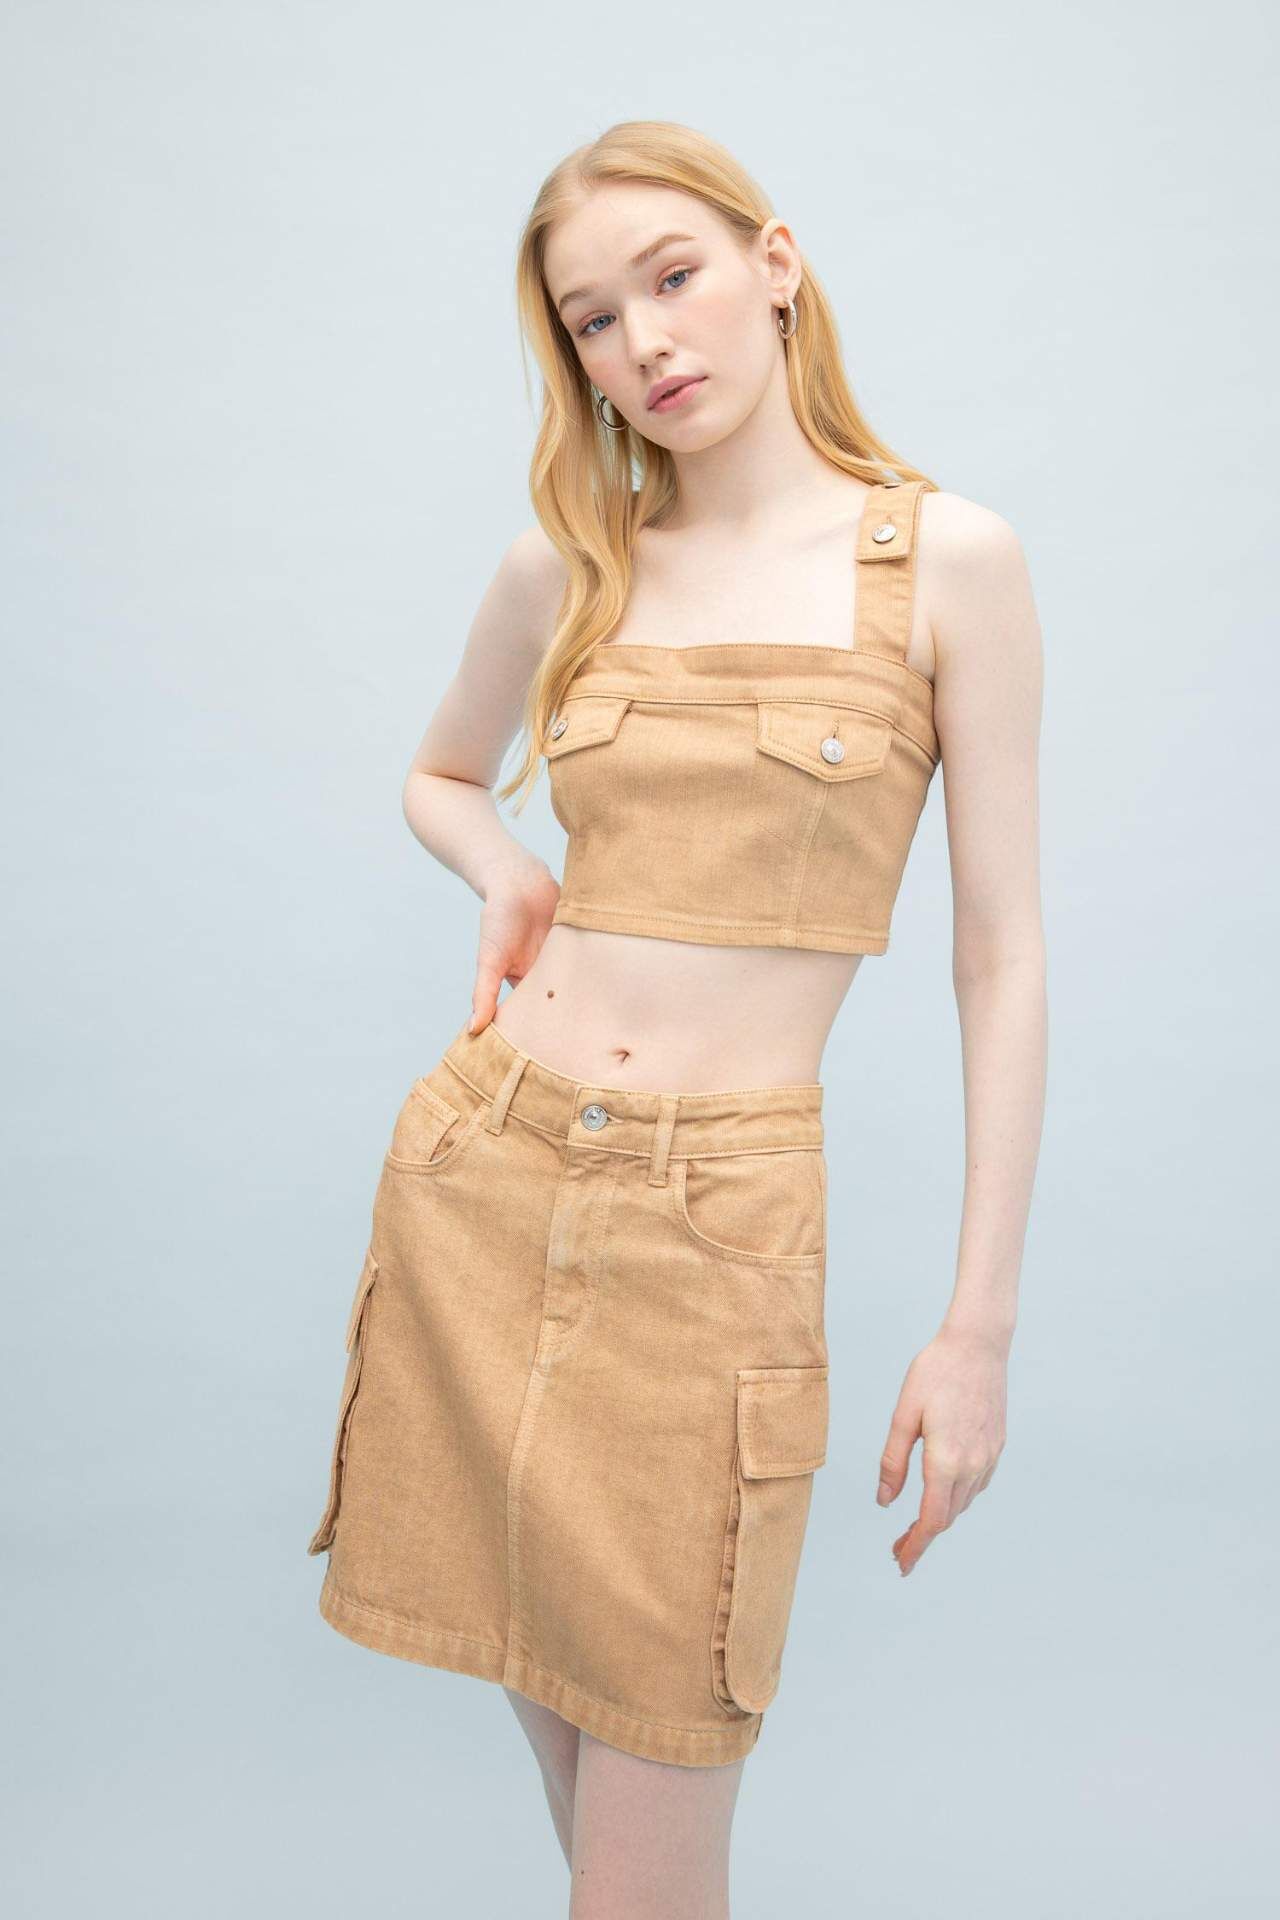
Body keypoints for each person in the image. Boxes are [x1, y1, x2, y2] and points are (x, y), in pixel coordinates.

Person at [305, 120, 1046, 1919]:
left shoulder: (949, 563)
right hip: (487, 1186)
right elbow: (436, 773)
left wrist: (976, 1331)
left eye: (673, 276)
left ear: (775, 265)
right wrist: (504, 870)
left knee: (648, 1830)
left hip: (718, 1235)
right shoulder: (572, 563)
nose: (643, 339)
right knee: (610, 1853)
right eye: (591, 318)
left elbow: (1001, 953)